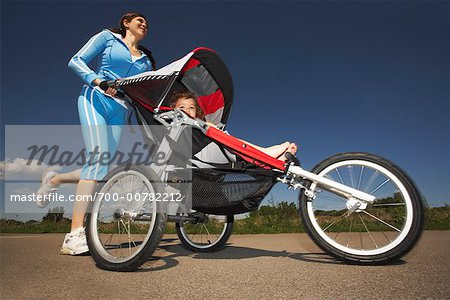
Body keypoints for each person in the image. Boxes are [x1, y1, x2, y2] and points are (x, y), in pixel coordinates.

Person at [36, 12, 155, 255]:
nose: (144, 24)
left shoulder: (145, 61)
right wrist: (98, 81)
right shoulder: (107, 38)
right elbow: (76, 60)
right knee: (98, 160)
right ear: (126, 22)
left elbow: (146, 91)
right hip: (96, 98)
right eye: (139, 20)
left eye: (146, 23)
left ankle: (54, 180)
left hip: (121, 111)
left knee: (101, 168)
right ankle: (74, 235)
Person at [169, 90, 298, 162]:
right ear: (173, 110)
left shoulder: (197, 124)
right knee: (226, 140)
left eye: (191, 107)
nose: (186, 110)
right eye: (181, 107)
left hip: (206, 150)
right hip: (195, 154)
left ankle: (271, 159)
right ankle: (265, 154)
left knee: (230, 142)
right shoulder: (172, 126)